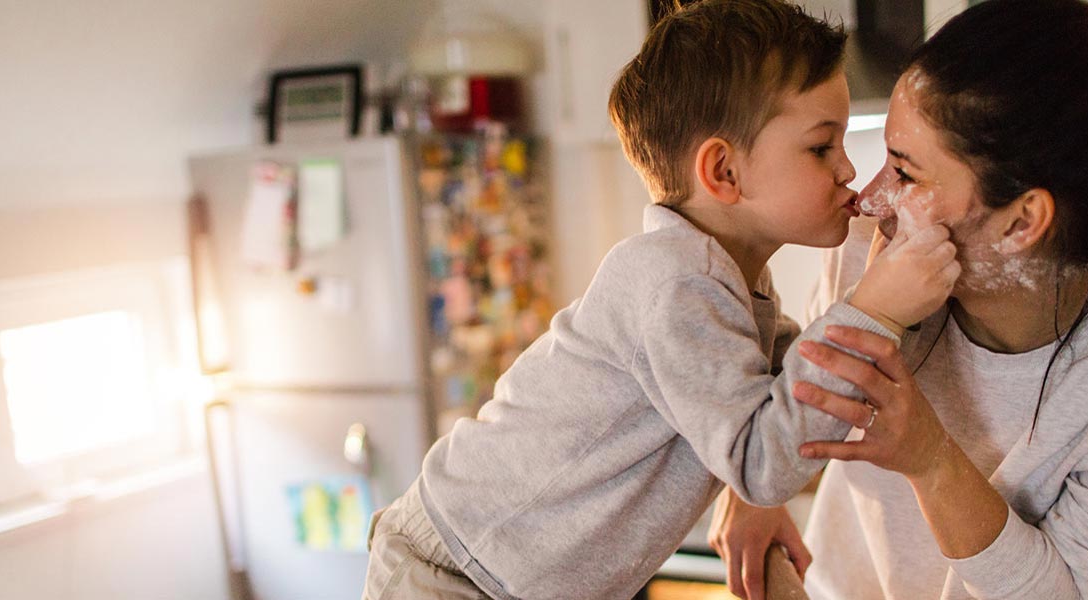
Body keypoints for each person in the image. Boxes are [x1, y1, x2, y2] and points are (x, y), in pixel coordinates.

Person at [360, 1, 963, 599]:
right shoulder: (676, 284)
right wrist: (876, 309)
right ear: (724, 172)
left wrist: (886, 309)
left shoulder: (728, 279)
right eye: (820, 148)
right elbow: (763, 460)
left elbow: (787, 387)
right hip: (453, 574)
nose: (848, 169)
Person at [708, 1, 1088, 599]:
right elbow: (790, 390)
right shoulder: (872, 248)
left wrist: (931, 459)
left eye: (905, 174)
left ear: (1021, 222)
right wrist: (751, 489)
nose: (870, 202)